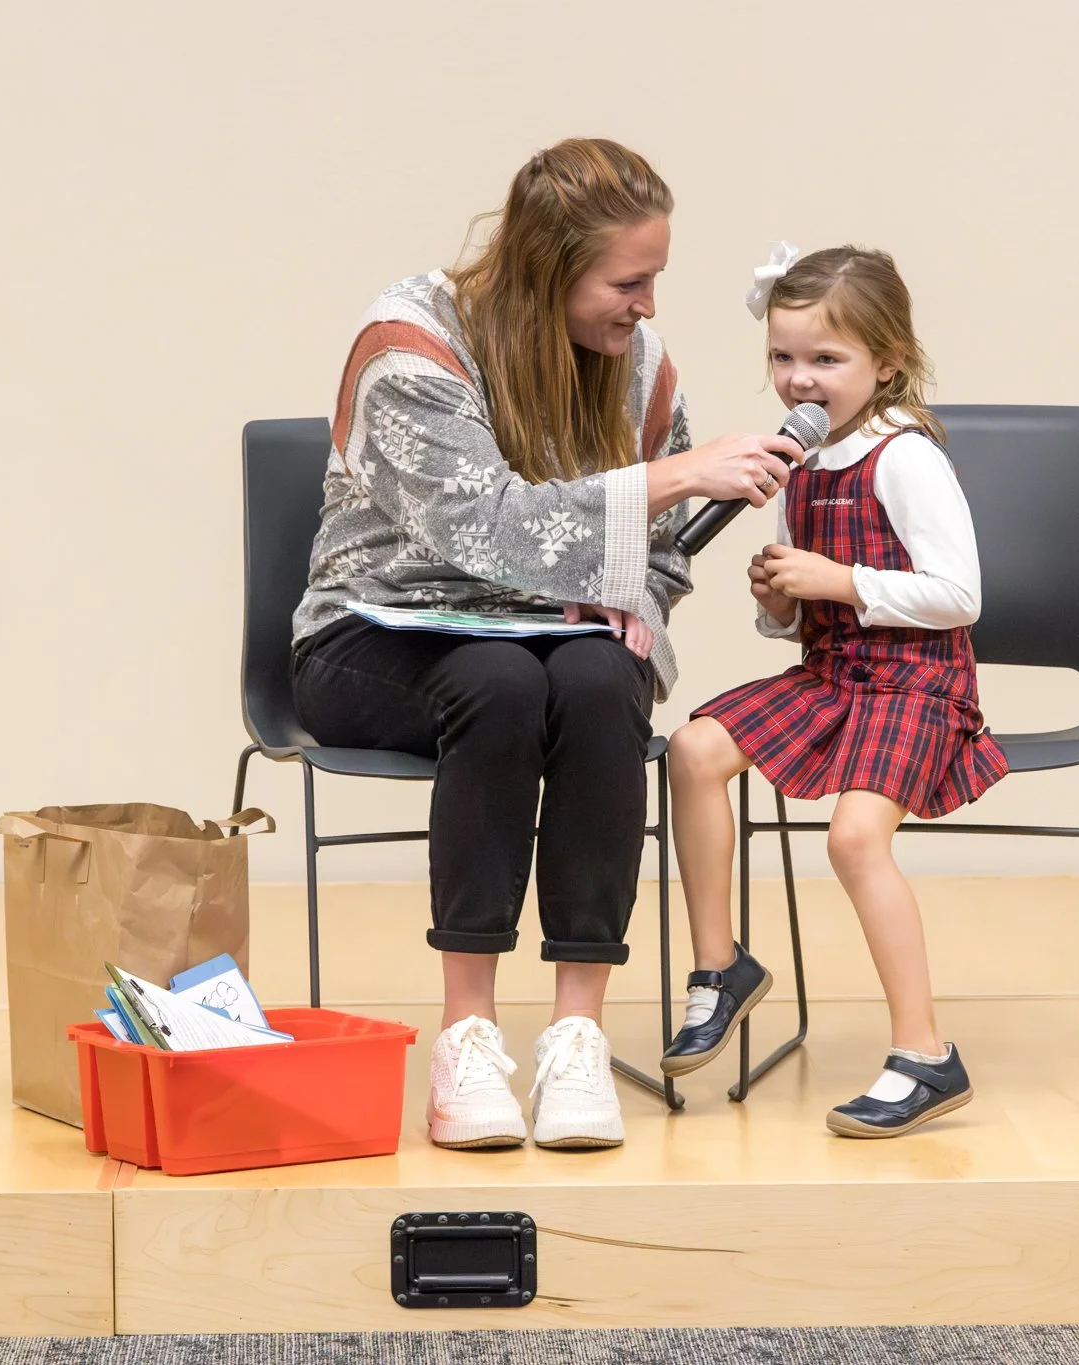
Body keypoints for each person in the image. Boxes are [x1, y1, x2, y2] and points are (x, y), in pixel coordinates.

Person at [291, 139, 802, 1151]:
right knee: (497, 681)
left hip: (552, 641)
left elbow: (661, 557)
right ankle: (467, 1034)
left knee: (603, 675)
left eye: (653, 278)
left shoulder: (638, 367)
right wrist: (671, 477)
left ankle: (577, 1034)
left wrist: (635, 605)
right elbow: (484, 530)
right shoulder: (409, 345)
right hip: (373, 634)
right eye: (627, 282)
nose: (646, 306)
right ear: (546, 267)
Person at [660, 244, 1009, 1138]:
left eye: (825, 358)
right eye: (783, 357)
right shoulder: (799, 462)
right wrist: (782, 602)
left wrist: (841, 580)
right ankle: (720, 967)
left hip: (916, 683)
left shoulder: (905, 457)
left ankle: (926, 1054)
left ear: (885, 362)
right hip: (834, 674)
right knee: (693, 749)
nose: (799, 379)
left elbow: (959, 595)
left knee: (855, 838)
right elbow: (803, 616)